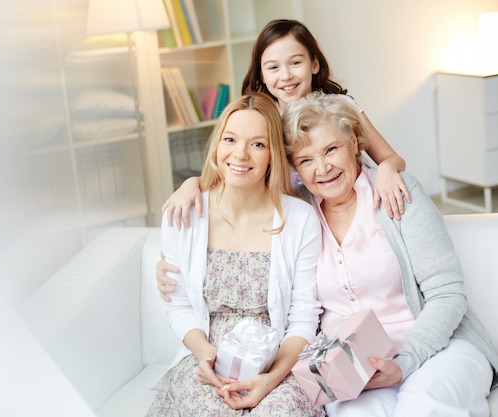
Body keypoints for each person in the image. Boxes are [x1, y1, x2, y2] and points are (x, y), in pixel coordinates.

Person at [160, 91, 498, 416]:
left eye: (331, 149)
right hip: (353, 365)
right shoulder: (300, 214)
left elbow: (447, 293)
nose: (322, 168)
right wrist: (192, 184)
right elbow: (239, 180)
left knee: (423, 407)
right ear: (294, 168)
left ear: (354, 142)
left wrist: (405, 361)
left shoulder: (395, 191)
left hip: (436, 346)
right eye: (306, 160)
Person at [146, 93, 326, 417]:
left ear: (273, 155)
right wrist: (205, 355)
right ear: (217, 145)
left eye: (258, 144)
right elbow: (179, 306)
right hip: (205, 364)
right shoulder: (184, 213)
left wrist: (270, 379)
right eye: (230, 139)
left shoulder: (300, 219)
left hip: (277, 365)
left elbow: (303, 318)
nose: (240, 154)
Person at [164, 19, 410, 225]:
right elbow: (234, 171)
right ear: (261, 73)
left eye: (295, 63)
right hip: (294, 221)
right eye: (273, 67)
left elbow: (392, 158)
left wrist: (386, 170)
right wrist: (191, 183)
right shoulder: (262, 118)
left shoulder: (340, 107)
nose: (286, 76)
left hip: (350, 209)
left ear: (314, 64)